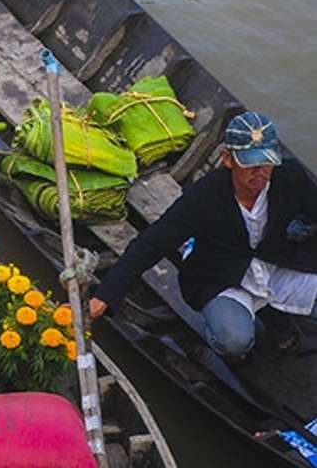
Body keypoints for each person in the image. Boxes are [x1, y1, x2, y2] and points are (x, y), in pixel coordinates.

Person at [90, 112, 317, 361]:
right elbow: (151, 243)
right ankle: (231, 327)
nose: (260, 173)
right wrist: (105, 295)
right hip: (220, 277)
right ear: (228, 159)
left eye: (267, 163)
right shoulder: (203, 197)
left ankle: (274, 316)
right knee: (234, 341)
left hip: (274, 264)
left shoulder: (290, 178)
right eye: (250, 164)